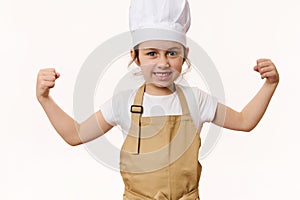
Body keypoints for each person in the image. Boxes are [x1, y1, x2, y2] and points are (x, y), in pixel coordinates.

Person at [36, 0, 279, 199]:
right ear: (136, 56)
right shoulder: (123, 103)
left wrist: (270, 84)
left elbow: (245, 121)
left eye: (172, 53)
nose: (163, 63)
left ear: (184, 56)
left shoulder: (197, 100)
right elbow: (75, 135)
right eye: (152, 53)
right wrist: (44, 98)